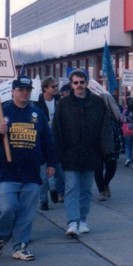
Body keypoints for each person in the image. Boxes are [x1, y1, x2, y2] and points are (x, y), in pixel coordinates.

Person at [0, 76, 56, 260]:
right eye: (21, 89)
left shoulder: (37, 114)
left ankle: (20, 246)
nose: (24, 93)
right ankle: (1, 238)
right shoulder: (1, 112)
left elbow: (47, 141)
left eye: (27, 90)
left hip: (31, 171)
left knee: (26, 212)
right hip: (7, 171)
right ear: (13, 91)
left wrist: (51, 163)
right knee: (8, 208)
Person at [52, 68, 114, 237]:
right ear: (71, 85)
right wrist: (56, 153)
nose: (79, 85)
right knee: (71, 188)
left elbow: (105, 128)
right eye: (76, 83)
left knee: (86, 189)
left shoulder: (98, 102)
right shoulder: (64, 104)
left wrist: (107, 150)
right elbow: (57, 129)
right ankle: (72, 221)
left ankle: (83, 220)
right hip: (70, 153)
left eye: (82, 82)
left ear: (87, 83)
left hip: (91, 153)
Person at [35, 76, 63, 209]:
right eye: (53, 86)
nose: (56, 89)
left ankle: (54, 189)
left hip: (56, 140)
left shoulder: (60, 101)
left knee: (58, 171)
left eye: (57, 86)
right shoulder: (37, 103)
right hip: (41, 141)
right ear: (45, 88)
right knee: (43, 175)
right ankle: (43, 200)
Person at [94, 92, 122, 200]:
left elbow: (118, 127)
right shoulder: (95, 113)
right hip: (97, 144)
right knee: (98, 168)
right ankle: (101, 190)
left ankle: (105, 183)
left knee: (111, 167)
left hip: (112, 143)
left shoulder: (113, 114)